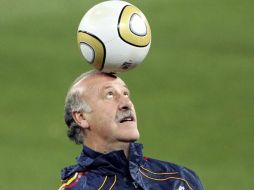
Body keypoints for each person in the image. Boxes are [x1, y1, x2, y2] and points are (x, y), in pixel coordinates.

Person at [58, 70, 204, 190]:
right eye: (109, 94)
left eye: (126, 94)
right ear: (82, 117)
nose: (126, 103)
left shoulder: (179, 179)